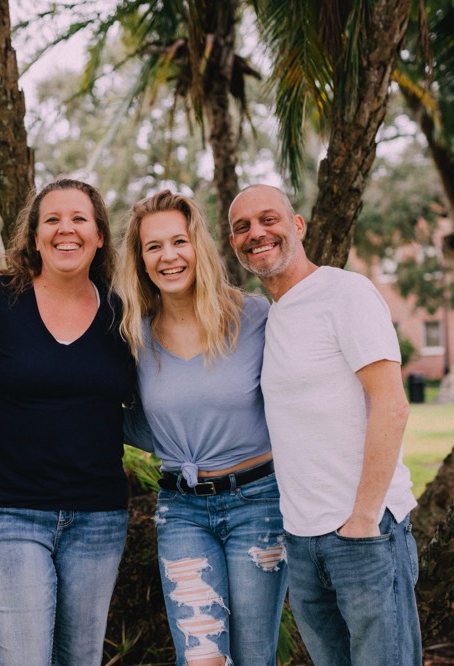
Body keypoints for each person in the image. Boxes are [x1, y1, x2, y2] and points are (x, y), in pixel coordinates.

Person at [0, 179, 133, 666]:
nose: (66, 229)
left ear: (100, 236)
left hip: (98, 517)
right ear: (35, 236)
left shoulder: (122, 314)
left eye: (79, 219)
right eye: (53, 219)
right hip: (5, 511)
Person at [228, 184, 421, 665]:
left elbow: (391, 405)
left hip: (364, 534)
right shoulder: (271, 318)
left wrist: (363, 520)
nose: (256, 233)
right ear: (233, 243)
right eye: (242, 227)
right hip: (301, 540)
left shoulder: (344, 292)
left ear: (297, 226)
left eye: (269, 219)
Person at [116, 190, 288, 666]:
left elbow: (297, 399)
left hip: (258, 505)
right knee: (201, 657)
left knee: (253, 656)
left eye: (179, 241)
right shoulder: (134, 335)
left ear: (199, 247)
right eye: (153, 246)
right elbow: (129, 419)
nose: (168, 256)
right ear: (141, 260)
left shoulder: (255, 317)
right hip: (182, 511)